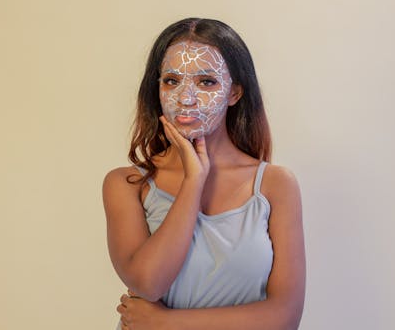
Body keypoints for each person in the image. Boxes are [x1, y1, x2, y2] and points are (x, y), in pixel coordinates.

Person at [103, 17, 305, 330]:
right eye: (171, 80)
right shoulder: (127, 184)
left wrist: (165, 323)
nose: (185, 98)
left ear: (234, 92)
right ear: (156, 88)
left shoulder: (275, 185)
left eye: (206, 82)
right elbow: (149, 283)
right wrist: (193, 180)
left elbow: (284, 317)